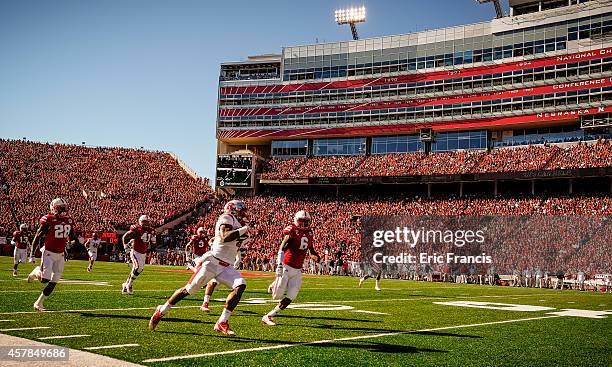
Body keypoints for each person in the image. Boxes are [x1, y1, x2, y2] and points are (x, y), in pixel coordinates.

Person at [149, 200, 252, 336]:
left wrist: (241, 247)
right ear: (234, 210)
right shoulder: (226, 218)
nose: (244, 213)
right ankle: (161, 311)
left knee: (240, 285)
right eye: (242, 210)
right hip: (212, 263)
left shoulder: (238, 224)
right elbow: (225, 237)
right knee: (189, 290)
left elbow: (237, 245)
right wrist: (244, 230)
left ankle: (222, 322)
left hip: (226, 266)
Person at [263, 210, 319, 326]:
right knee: (276, 296)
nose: (304, 224)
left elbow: (311, 250)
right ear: (296, 221)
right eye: (301, 221)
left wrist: (315, 256)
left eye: (306, 222)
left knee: (292, 296)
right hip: (286, 266)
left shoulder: (310, 233)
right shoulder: (292, 231)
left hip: (297, 270)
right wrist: (279, 264)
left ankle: (269, 315)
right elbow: (282, 247)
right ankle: (274, 284)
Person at [27, 198, 78, 311]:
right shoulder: (49, 219)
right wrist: (32, 254)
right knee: (45, 280)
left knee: (54, 281)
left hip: (60, 255)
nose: (63, 211)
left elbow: (72, 236)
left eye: (64, 208)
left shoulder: (69, 220)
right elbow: (38, 236)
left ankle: (38, 303)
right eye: (61, 208)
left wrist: (73, 242)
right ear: (53, 208)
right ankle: (36, 271)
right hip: (49, 253)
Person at [121, 215, 156, 295]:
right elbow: (124, 236)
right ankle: (128, 285)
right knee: (138, 267)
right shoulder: (137, 229)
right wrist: (125, 246)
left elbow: (153, 244)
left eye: (147, 222)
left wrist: (153, 242)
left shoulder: (152, 230)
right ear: (140, 222)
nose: (146, 224)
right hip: (135, 251)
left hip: (143, 253)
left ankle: (125, 285)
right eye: (144, 222)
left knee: (137, 269)